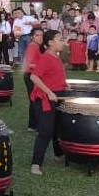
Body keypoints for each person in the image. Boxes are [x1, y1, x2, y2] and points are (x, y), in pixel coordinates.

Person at [29, 30, 68, 175]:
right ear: (50, 42)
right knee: (46, 131)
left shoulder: (56, 57)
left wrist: (64, 84)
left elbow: (54, 74)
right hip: (46, 98)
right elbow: (34, 77)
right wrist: (49, 92)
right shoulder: (45, 57)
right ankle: (35, 164)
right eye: (60, 39)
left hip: (58, 96)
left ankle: (58, 154)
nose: (63, 41)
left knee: (57, 127)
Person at [22, 28, 44, 131]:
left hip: (32, 75)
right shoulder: (33, 47)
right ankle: (35, 125)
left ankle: (33, 125)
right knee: (35, 100)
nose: (40, 37)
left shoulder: (36, 47)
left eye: (41, 35)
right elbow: (30, 64)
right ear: (32, 37)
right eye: (37, 35)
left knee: (34, 100)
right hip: (31, 76)